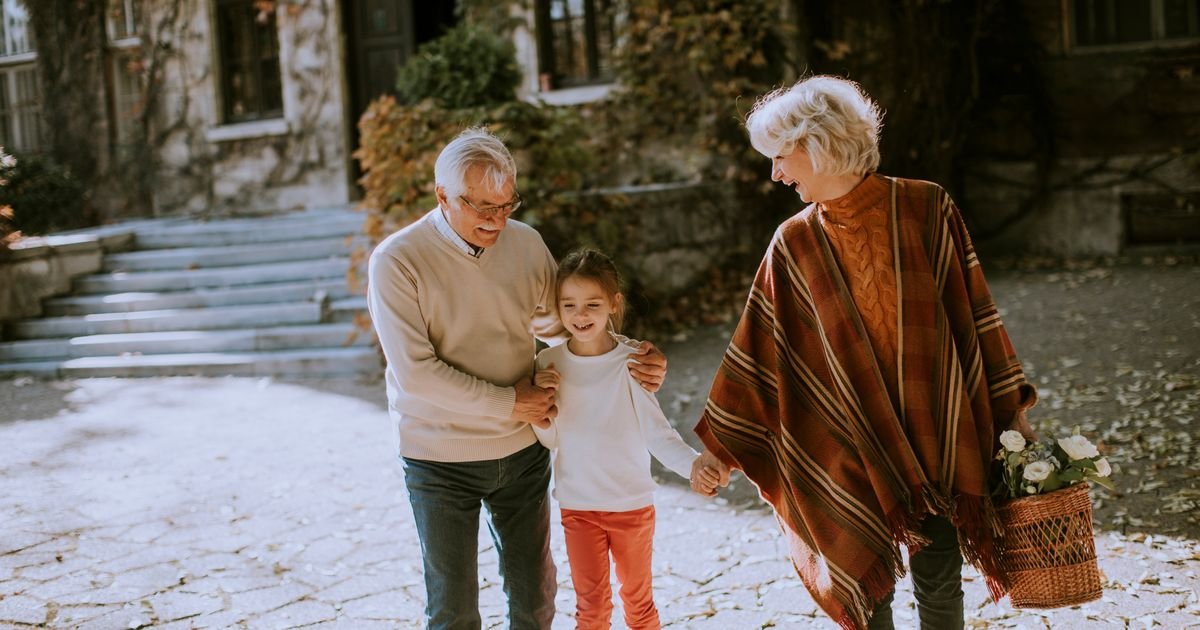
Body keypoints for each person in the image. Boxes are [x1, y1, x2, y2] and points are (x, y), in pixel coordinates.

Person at [690, 76, 1039, 630]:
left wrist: (1011, 408)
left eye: (780, 156)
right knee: (865, 580)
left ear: (819, 143)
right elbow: (758, 351)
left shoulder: (925, 207)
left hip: (933, 425)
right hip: (847, 437)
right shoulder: (794, 242)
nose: (775, 173)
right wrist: (721, 450)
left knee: (940, 574)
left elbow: (972, 311)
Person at [366, 127, 668, 630]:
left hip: (523, 452)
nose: (495, 220)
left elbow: (564, 330)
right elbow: (416, 375)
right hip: (438, 457)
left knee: (535, 601)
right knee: (453, 608)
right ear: (441, 196)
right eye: (480, 206)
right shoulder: (396, 261)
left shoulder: (525, 244)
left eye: (505, 205)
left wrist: (629, 360)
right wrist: (509, 402)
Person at [529, 249, 719, 630]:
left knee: (639, 604)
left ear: (614, 304)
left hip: (631, 505)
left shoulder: (632, 361)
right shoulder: (548, 364)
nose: (580, 315)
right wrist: (542, 405)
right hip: (578, 507)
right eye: (569, 305)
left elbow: (657, 433)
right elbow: (550, 439)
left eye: (592, 304)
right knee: (591, 609)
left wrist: (693, 465)